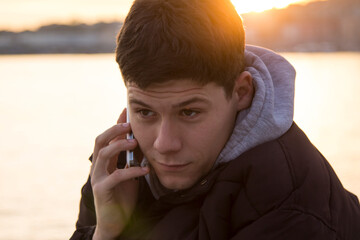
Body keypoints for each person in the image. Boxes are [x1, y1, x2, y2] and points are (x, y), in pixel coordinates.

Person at [70, 0, 360, 239]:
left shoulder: (290, 205)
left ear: (241, 92)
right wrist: (105, 231)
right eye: (145, 112)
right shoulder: (116, 168)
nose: (164, 143)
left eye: (189, 112)